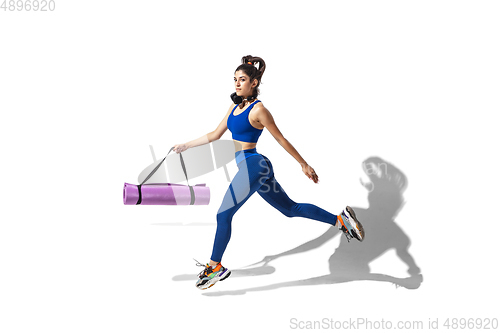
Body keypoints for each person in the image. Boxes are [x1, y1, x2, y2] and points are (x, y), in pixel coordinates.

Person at [172, 55, 365, 290]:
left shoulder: (259, 110)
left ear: (253, 82)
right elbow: (214, 134)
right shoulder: (234, 107)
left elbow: (280, 139)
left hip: (254, 165)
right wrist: (185, 145)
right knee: (290, 209)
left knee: (223, 215)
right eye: (235, 79)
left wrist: (303, 164)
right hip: (254, 168)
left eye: (242, 79)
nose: (237, 84)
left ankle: (215, 267)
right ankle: (340, 220)